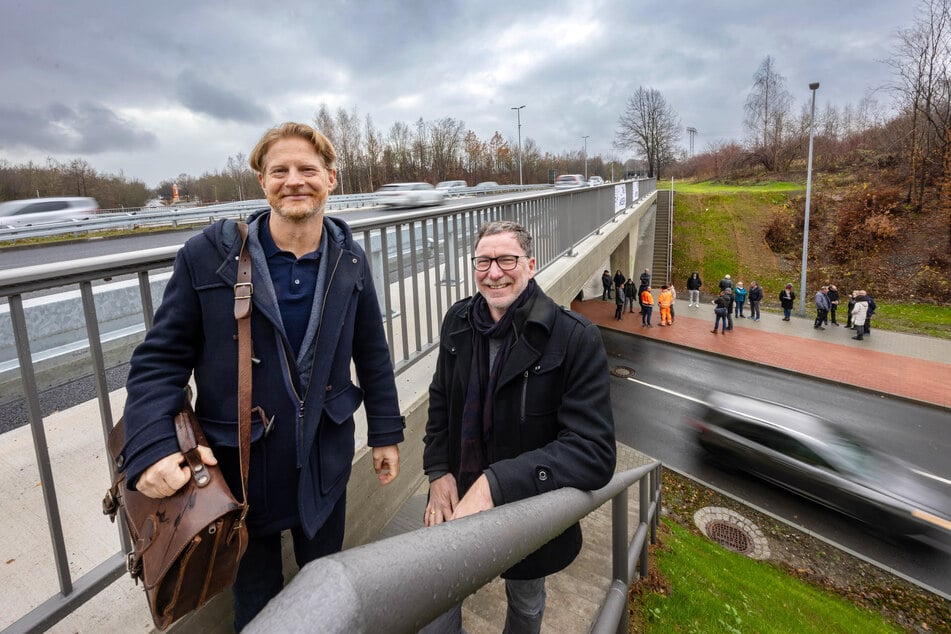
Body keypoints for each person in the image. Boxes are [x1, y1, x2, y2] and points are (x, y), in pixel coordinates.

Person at [119, 122, 405, 631]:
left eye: (307, 170)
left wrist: (386, 431)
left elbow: (372, 350)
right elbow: (158, 360)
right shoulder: (209, 257)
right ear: (262, 181)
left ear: (331, 179)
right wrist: (149, 446)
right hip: (243, 471)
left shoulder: (349, 258)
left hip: (324, 462)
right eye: (280, 170)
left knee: (325, 586)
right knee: (257, 602)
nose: (294, 180)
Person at [421, 220, 616, 633]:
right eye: (483, 262)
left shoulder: (573, 338)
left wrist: (496, 483)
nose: (494, 273)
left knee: (526, 606)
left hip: (524, 510)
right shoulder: (458, 322)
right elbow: (441, 401)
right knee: (435, 608)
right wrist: (438, 470)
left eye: (506, 260)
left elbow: (594, 452)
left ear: (530, 264)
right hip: (457, 504)